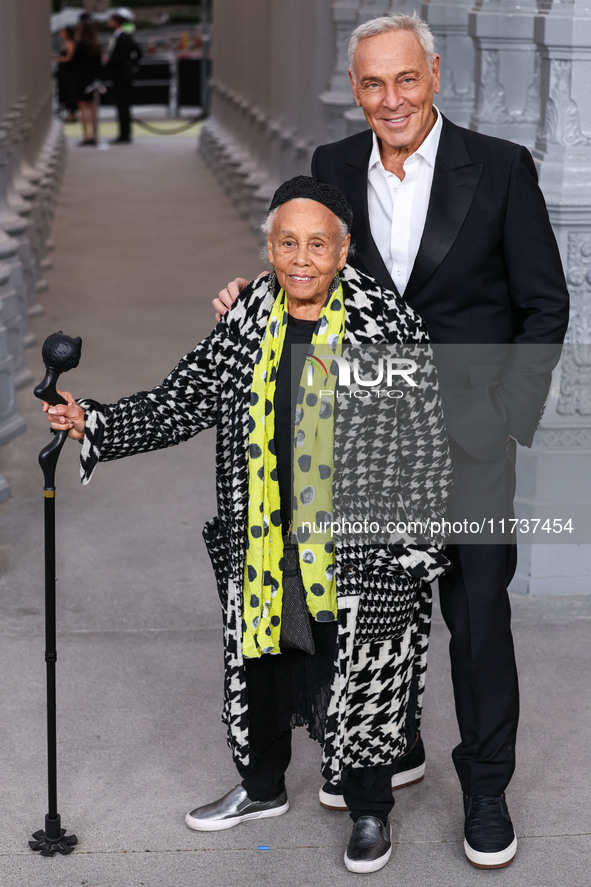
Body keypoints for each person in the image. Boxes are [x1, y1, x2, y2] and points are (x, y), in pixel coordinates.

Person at [213, 13, 570, 871]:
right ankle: (392, 746)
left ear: (434, 74)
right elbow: (310, 267)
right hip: (369, 431)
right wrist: (249, 295)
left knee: (477, 616)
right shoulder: (332, 168)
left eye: (404, 79)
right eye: (371, 83)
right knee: (377, 612)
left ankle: (485, 788)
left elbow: (544, 306)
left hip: (473, 438)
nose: (389, 99)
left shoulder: (501, 169)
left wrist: (503, 418)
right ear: (356, 85)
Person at [42, 176, 451, 874]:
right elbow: (184, 396)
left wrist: (408, 559)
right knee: (262, 665)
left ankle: (368, 809)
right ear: (267, 247)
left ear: (344, 248)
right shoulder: (248, 315)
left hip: (358, 554)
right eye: (285, 242)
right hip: (266, 539)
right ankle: (262, 787)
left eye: (316, 243)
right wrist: (94, 421)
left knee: (358, 672)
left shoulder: (385, 324)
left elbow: (423, 450)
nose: (300, 258)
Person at [103, 11, 142, 144]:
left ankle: (124, 134)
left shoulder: (122, 37)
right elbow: (138, 52)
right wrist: (132, 66)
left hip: (121, 76)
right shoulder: (123, 36)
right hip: (123, 75)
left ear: (116, 22)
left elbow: (132, 53)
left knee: (122, 105)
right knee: (122, 105)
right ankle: (124, 133)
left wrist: (109, 63)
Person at [70, 18, 102, 147]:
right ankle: (94, 135)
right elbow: (99, 65)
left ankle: (85, 135)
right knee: (93, 108)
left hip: (81, 78)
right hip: (92, 78)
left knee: (83, 108)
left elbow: (74, 63)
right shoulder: (96, 46)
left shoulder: (79, 45)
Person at [55, 27, 77, 122]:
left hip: (68, 72)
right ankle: (69, 112)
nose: (61, 33)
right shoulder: (65, 43)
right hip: (63, 72)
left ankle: (72, 113)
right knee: (64, 91)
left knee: (69, 91)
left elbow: (70, 57)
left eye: (63, 31)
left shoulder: (71, 43)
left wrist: (60, 59)